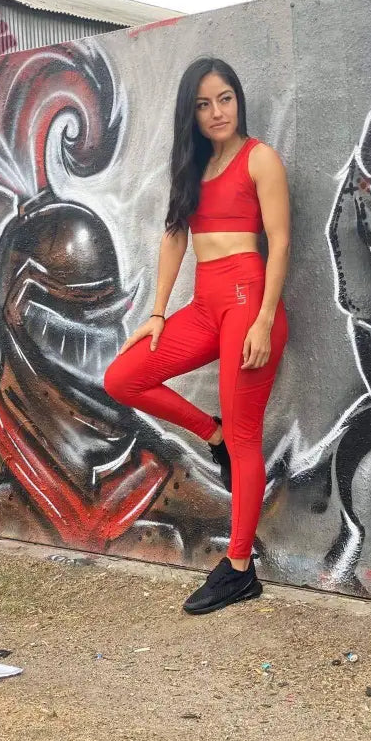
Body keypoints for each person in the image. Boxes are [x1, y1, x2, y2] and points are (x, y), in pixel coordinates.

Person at [103, 57, 290, 614]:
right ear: (192, 111)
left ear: (239, 100)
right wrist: (158, 312)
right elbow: (173, 239)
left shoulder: (261, 160)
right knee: (124, 377)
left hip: (248, 305)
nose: (217, 112)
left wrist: (261, 318)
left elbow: (279, 243)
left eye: (226, 98)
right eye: (205, 103)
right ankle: (210, 435)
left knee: (247, 436)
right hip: (205, 305)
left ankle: (239, 568)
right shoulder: (192, 168)